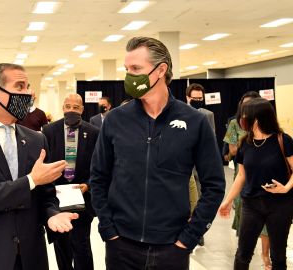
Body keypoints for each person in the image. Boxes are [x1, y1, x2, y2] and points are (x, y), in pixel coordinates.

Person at [90, 37, 225, 270]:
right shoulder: (115, 120)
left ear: (161, 70)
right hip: (121, 245)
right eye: (127, 69)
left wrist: (189, 238)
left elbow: (214, 184)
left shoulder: (194, 121)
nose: (129, 76)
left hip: (172, 247)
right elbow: (98, 176)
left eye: (136, 69)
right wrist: (108, 229)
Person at [0, 63, 79, 270]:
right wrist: (31, 180)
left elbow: (46, 196)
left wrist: (52, 214)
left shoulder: (37, 140)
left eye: (28, 86)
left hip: (30, 254)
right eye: (20, 87)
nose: (28, 93)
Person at [219, 97, 293, 270]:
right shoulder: (245, 142)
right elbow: (241, 176)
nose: (242, 120)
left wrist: (286, 188)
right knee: (243, 253)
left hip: (280, 205)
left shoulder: (283, 140)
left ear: (258, 118)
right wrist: (228, 200)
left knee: (278, 255)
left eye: (246, 116)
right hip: (251, 204)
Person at [42, 93, 99, 270]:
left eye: (76, 107)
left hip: (81, 196)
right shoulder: (49, 131)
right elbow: (44, 163)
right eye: (68, 107)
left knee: (81, 244)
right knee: (62, 245)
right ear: (63, 108)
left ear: (82, 109)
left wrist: (88, 185)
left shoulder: (93, 132)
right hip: (57, 196)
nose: (71, 110)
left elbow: (99, 165)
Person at [222, 91, 271, 269]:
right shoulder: (235, 124)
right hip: (244, 175)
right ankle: (243, 252)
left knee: (267, 220)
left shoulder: (269, 126)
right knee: (245, 217)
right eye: (245, 105)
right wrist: (249, 140)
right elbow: (233, 150)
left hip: (266, 177)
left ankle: (266, 254)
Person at [185, 83, 216, 247]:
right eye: (194, 98)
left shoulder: (208, 115)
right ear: (187, 98)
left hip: (201, 164)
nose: (197, 101)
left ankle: (198, 231)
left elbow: (211, 139)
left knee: (200, 197)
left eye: (200, 98)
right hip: (184, 162)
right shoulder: (180, 113)